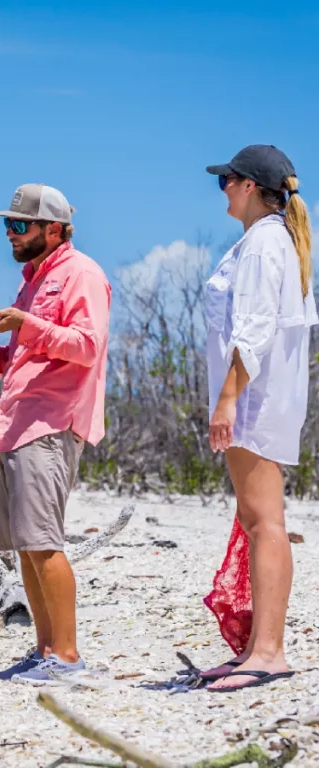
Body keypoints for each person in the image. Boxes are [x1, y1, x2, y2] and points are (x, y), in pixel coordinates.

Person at [0, 184, 111, 685]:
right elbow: (26, 356)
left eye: (20, 225)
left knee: (43, 541)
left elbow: (86, 347)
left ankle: (66, 657)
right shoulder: (33, 280)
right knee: (25, 544)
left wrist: (26, 321)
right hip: (17, 425)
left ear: (54, 229)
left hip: (51, 423)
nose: (10, 233)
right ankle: (45, 651)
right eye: (8, 224)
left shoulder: (82, 273)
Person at [200, 145, 317, 692]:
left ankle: (268, 652)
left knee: (265, 523)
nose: (221, 188)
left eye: (226, 180)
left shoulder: (263, 243)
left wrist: (227, 400)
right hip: (259, 398)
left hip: (254, 400)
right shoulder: (268, 241)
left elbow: (253, 329)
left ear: (249, 186)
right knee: (256, 520)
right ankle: (257, 649)